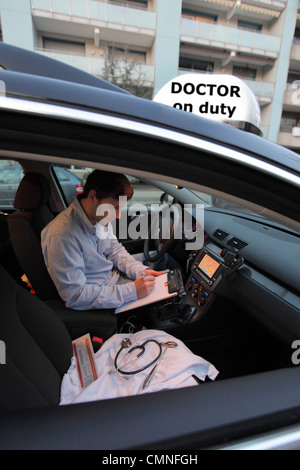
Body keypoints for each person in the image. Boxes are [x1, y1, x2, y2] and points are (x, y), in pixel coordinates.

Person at [41, 170, 162, 310]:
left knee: (162, 262)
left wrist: (139, 271)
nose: (117, 216)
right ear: (93, 196)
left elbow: (114, 249)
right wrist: (132, 291)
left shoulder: (99, 216)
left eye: (120, 208)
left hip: (113, 280)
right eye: (114, 207)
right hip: (101, 294)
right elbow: (75, 295)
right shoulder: (62, 235)